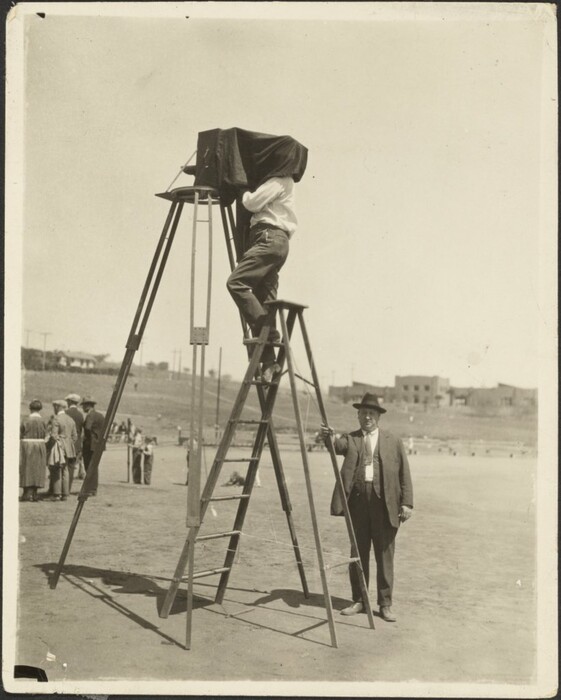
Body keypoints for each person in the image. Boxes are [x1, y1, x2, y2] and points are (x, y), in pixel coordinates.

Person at [321, 393, 413, 622]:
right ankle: (360, 600)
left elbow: (405, 474)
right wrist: (328, 437)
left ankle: (385, 604)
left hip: (385, 506)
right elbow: (334, 446)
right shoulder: (350, 439)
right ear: (358, 416)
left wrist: (407, 503)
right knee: (358, 555)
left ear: (378, 417)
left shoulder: (394, 441)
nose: (367, 417)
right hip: (358, 505)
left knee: (385, 557)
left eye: (372, 413)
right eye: (363, 413)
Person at [226, 176, 297, 383]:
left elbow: (251, 202)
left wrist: (243, 190)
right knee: (266, 301)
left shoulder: (279, 180)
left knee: (236, 283)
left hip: (268, 237)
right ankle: (269, 362)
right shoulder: (283, 182)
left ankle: (269, 334)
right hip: (274, 240)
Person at [48, 399, 77, 501]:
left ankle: (56, 494)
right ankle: (65, 494)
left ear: (57, 407)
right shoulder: (70, 419)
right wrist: (68, 443)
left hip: (59, 447)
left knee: (56, 469)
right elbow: (75, 437)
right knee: (65, 470)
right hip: (69, 448)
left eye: (54, 407)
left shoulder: (56, 419)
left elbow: (53, 435)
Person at [20, 399, 48, 502]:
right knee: (38, 468)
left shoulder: (26, 420)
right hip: (40, 445)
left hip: (27, 445)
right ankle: (35, 494)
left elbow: (21, 432)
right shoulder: (43, 421)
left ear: (30, 409)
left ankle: (26, 493)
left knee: (26, 468)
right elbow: (46, 433)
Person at [81, 396, 105, 495]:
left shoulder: (90, 415)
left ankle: (91, 489)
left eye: (84, 405)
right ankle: (93, 488)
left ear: (88, 405)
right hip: (99, 445)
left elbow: (87, 428)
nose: (82, 408)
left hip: (90, 445)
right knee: (94, 467)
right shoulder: (100, 415)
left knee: (89, 466)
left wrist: (86, 438)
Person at [65, 393, 85, 485]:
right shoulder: (80, 415)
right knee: (71, 466)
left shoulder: (66, 413)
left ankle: (61, 489)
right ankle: (68, 488)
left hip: (66, 442)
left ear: (69, 401)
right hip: (76, 444)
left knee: (63, 466)